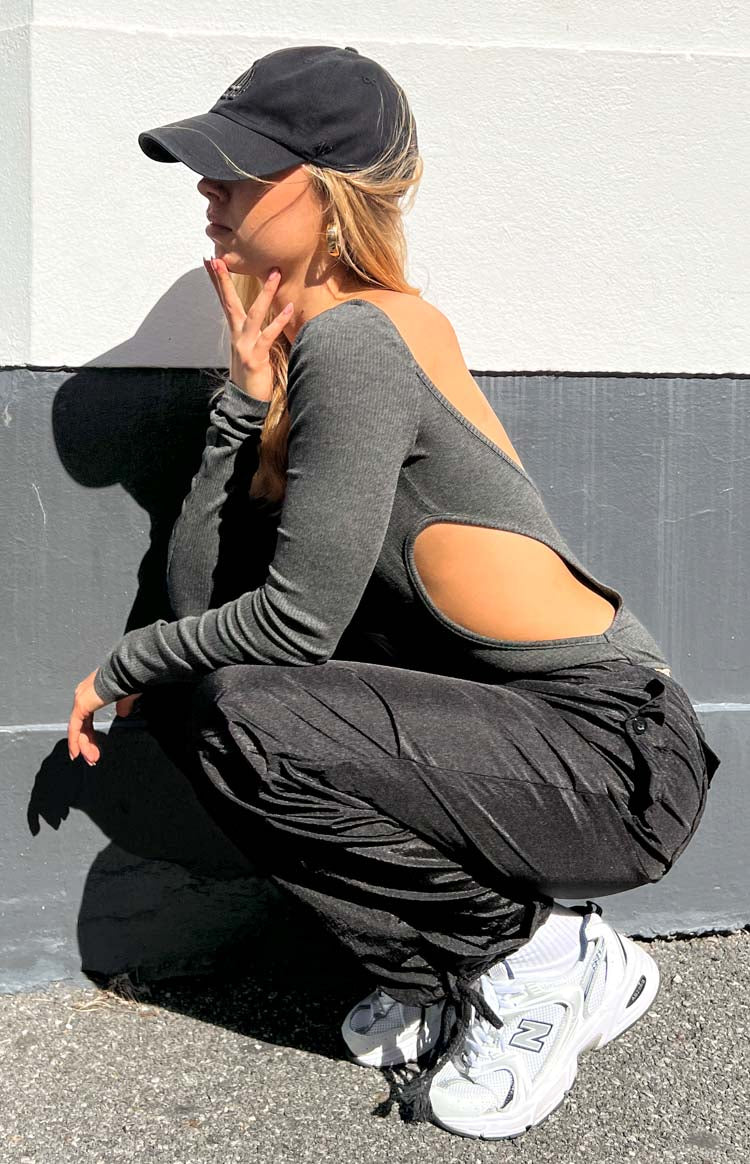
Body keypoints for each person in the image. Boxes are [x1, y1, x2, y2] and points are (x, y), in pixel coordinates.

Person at [66, 45, 721, 1140]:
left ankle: (541, 955)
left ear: (328, 196)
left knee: (234, 702)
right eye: (209, 167)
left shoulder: (363, 341)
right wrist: (240, 409)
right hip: (518, 741)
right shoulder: (318, 349)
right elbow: (197, 607)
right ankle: (440, 969)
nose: (209, 188)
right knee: (198, 694)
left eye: (242, 168)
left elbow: (293, 624)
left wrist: (121, 664)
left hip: (614, 757)